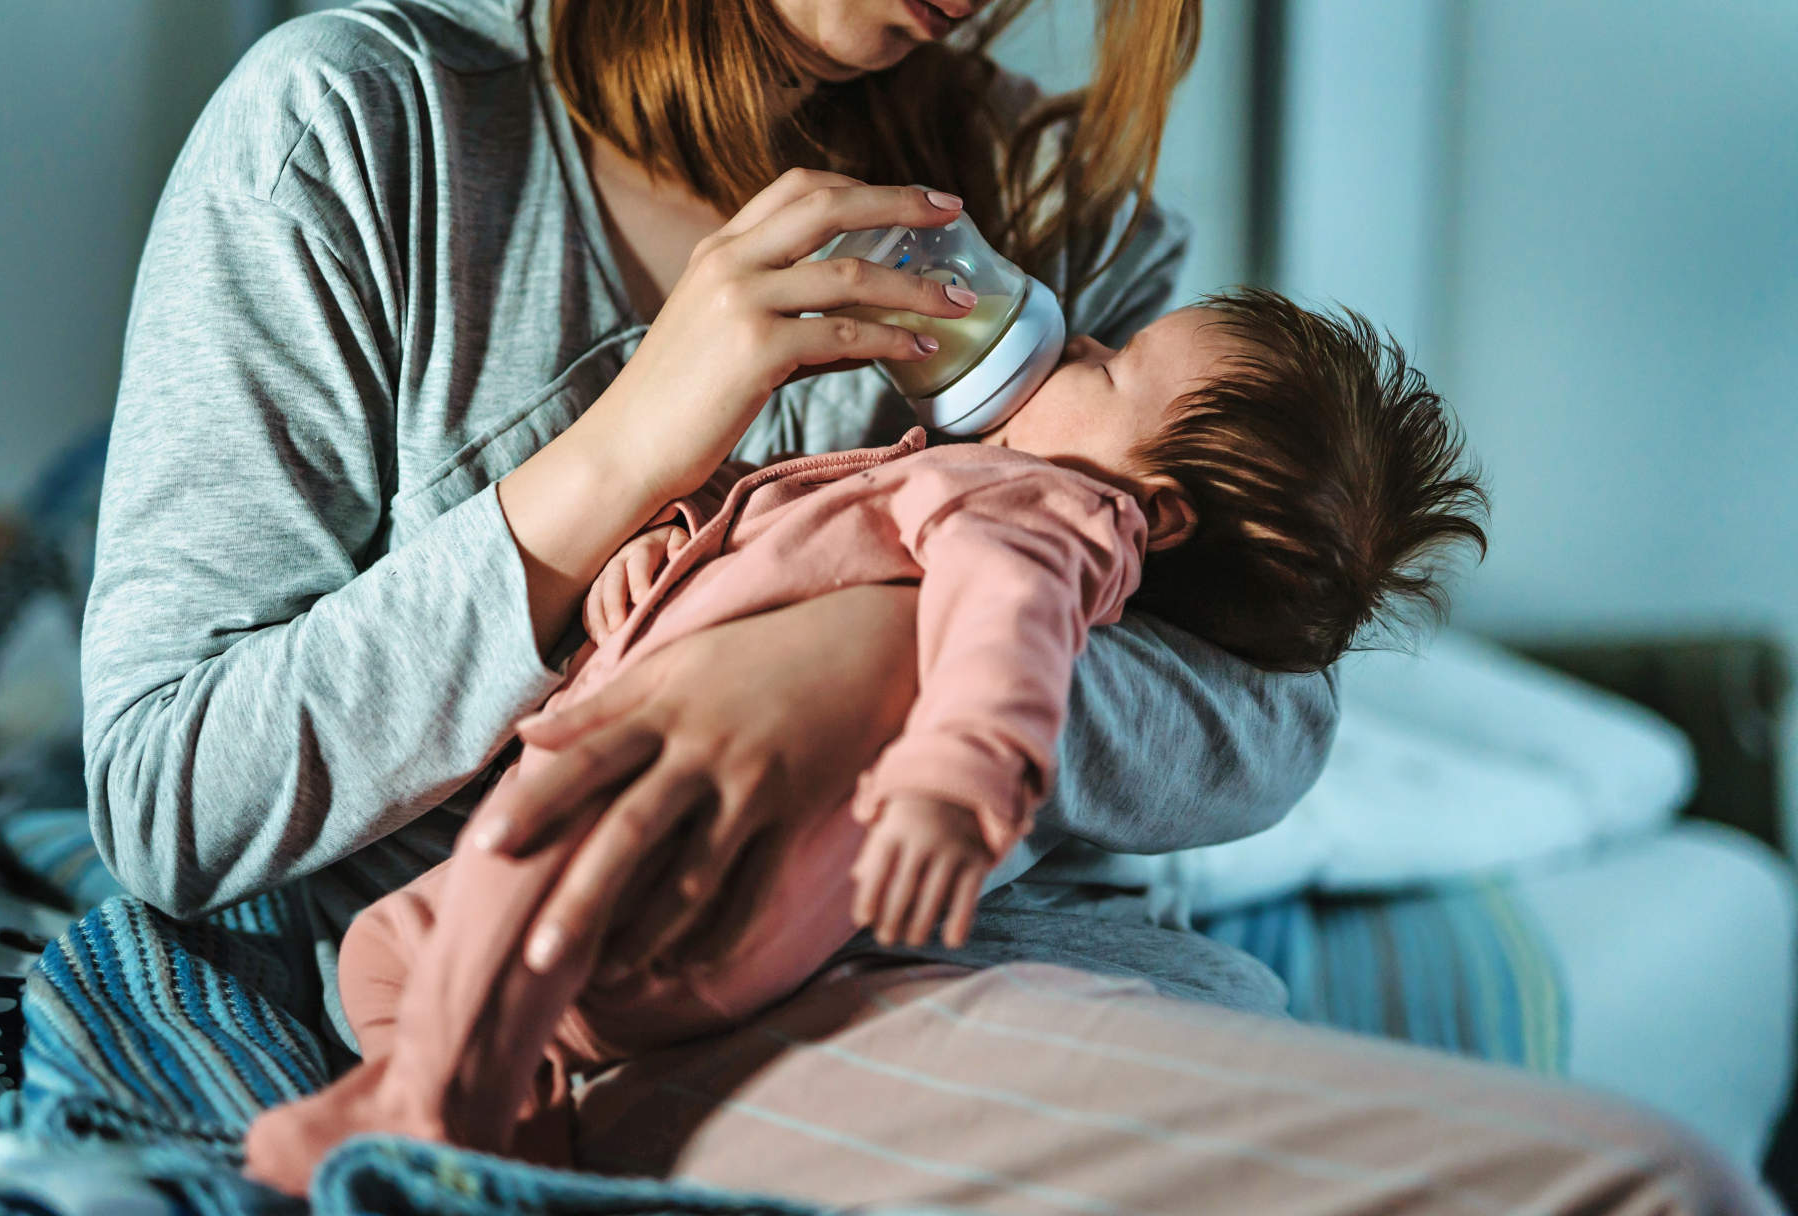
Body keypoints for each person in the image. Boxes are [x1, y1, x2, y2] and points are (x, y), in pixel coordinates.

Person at [81, 0, 1768, 1209]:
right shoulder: (361, 137)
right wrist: (613, 464)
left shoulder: (1050, 210)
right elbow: (168, 793)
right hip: (643, 1009)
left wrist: (869, 654)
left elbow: (1273, 715)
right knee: (1643, 1186)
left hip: (1023, 951)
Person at [239, 288, 1492, 1195]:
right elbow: (772, 556)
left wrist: (961, 770)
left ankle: (432, 1115)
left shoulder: (1055, 510)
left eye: (1111, 362)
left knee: (518, 879)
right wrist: (655, 568)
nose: (1079, 337)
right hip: (663, 836)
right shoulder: (990, 480)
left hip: (712, 848)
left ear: (1154, 513)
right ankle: (512, 1121)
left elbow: (1007, 630)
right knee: (385, 956)